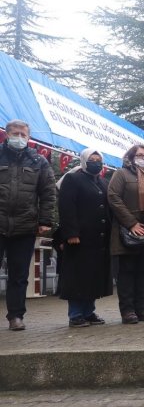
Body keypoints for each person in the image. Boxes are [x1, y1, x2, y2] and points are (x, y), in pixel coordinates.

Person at [0, 120, 56, 331]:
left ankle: (16, 316)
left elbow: (48, 192)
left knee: (19, 275)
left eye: (24, 134)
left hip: (24, 226)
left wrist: (45, 221)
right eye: (16, 133)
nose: (20, 137)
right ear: (6, 134)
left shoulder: (38, 161)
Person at [108, 144, 144, 324]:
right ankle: (127, 310)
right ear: (131, 157)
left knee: (142, 272)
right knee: (126, 271)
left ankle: (141, 308)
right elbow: (113, 197)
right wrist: (131, 223)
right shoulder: (121, 174)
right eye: (139, 155)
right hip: (128, 229)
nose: (143, 157)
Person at [57, 148, 112, 327]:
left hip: (99, 239)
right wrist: (71, 233)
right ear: (83, 160)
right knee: (77, 276)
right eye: (92, 159)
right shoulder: (72, 179)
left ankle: (89, 312)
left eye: (98, 159)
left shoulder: (103, 182)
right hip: (79, 238)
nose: (96, 162)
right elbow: (66, 207)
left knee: (93, 276)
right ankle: (75, 314)